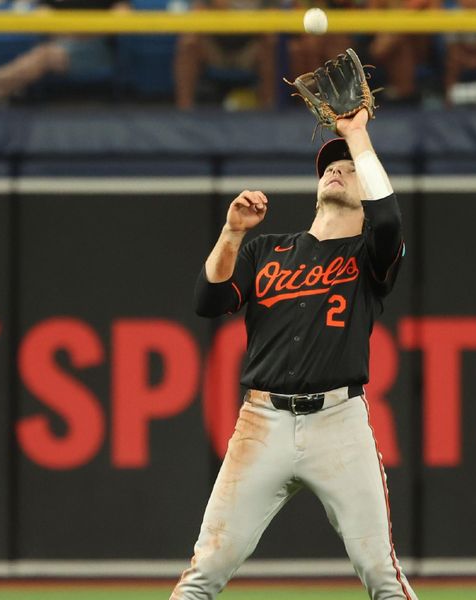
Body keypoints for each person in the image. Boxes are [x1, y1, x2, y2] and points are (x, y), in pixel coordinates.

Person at [174, 108, 416, 600]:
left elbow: (389, 217)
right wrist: (232, 232)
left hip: (339, 422)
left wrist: (357, 134)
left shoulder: (369, 255)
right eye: (331, 164)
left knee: (382, 573)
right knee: (204, 571)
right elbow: (208, 300)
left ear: (364, 190)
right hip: (261, 423)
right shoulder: (266, 250)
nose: (337, 168)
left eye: (349, 166)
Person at [0, 0, 128, 108]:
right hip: (62, 41)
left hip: (96, 48)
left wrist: (84, 30)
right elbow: (42, 13)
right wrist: (71, 30)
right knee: (45, 53)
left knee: (44, 55)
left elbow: (122, 13)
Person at [173, 0, 278, 110]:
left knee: (271, 43)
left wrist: (245, 20)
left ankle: (268, 108)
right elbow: (196, 14)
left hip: (249, 46)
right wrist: (217, 12)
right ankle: (184, 109)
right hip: (215, 45)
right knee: (189, 43)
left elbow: (273, 18)